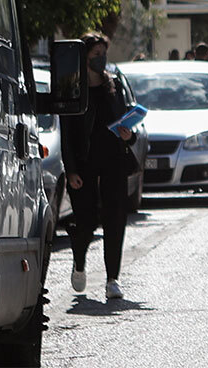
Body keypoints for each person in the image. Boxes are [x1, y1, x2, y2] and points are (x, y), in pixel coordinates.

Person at [60, 32, 138, 300]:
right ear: (84, 58)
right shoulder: (72, 89)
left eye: (104, 54)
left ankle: (112, 279)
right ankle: (79, 262)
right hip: (84, 164)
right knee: (86, 220)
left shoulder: (113, 86)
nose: (102, 60)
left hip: (114, 161)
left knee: (115, 218)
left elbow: (126, 120)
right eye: (96, 55)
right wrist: (70, 170)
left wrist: (130, 134)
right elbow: (67, 133)